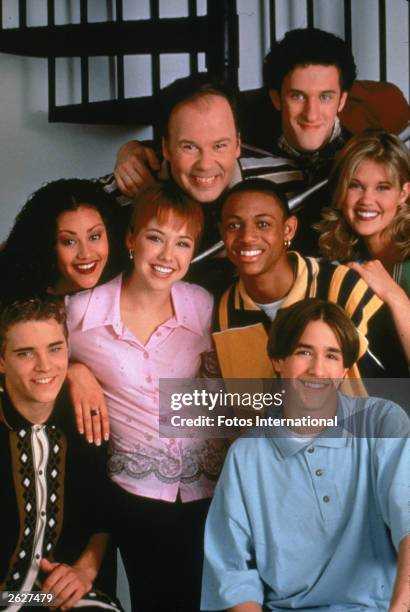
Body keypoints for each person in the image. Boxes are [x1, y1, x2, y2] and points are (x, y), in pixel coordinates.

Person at [66, 181, 227, 612]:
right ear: (131, 239)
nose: (167, 256)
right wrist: (71, 371)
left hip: (208, 490)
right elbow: (29, 354)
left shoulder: (202, 305)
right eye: (156, 238)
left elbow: (224, 387)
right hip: (133, 493)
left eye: (183, 244)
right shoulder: (82, 310)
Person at [201, 298, 410, 612]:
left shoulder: (382, 422)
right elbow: (232, 575)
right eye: (304, 352)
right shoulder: (246, 458)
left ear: (343, 369)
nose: (317, 369)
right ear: (278, 360)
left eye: (332, 355)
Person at [111, 29, 359, 254]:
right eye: (297, 96)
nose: (311, 114)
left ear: (342, 100)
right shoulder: (244, 115)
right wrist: (134, 150)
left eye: (325, 97)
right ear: (276, 98)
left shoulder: (357, 157)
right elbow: (191, 135)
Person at [213, 178, 409, 379]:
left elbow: (399, 377)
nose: (247, 237)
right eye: (233, 226)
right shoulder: (224, 311)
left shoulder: (344, 286)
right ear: (222, 232)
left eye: (263, 224)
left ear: (288, 229)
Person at [0, 297, 121, 611]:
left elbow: (103, 514)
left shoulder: (87, 422)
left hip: (65, 595)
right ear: (1, 362)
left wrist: (84, 571)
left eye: (55, 349)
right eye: (25, 353)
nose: (44, 366)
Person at [317, 129, 410, 364]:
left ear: (403, 193)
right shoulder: (343, 258)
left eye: (382, 187)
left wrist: (393, 294)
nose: (367, 200)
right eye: (355, 185)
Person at [0, 179, 127, 301]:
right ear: (49, 244)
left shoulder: (124, 272)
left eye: (94, 237)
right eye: (69, 242)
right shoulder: (22, 290)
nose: (86, 254)